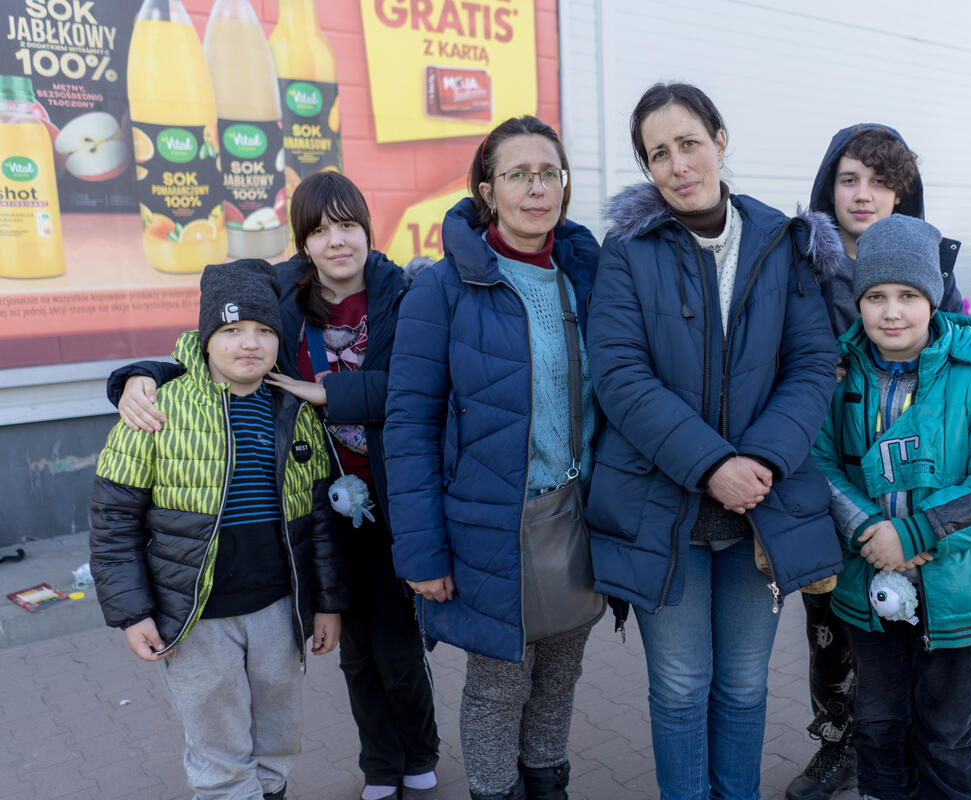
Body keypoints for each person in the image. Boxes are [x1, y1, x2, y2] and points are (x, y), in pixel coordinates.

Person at [109, 172, 442, 800]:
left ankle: (418, 749)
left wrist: (327, 391)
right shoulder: (285, 301)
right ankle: (379, 764)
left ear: (368, 229)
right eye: (319, 231)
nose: (336, 241)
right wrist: (137, 376)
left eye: (348, 225)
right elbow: (219, 344)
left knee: (398, 646)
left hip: (400, 500)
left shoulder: (408, 293)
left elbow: (417, 386)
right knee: (350, 646)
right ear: (303, 243)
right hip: (322, 501)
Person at [584, 82, 842, 800]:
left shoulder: (782, 240)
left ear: (720, 139)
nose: (677, 165)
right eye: (657, 153)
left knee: (743, 684)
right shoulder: (628, 250)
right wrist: (710, 465)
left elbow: (812, 363)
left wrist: (755, 461)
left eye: (688, 143)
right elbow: (619, 373)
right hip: (663, 507)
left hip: (763, 501)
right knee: (679, 685)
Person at [384, 115, 601, 800]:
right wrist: (422, 556)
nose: (537, 189)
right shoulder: (443, 290)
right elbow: (410, 427)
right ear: (488, 188)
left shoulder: (588, 279)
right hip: (491, 529)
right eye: (518, 174)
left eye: (549, 173)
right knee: (499, 683)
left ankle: (548, 785)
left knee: (561, 673)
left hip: (582, 521)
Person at [89, 259, 347, 800]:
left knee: (279, 738)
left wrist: (327, 602)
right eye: (231, 330)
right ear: (206, 338)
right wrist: (131, 612)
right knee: (218, 748)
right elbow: (114, 522)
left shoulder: (294, 411)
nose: (248, 344)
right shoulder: (156, 408)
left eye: (263, 330)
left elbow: (320, 521)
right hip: (196, 619)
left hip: (280, 609)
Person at [812, 214, 971, 800]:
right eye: (876, 296)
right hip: (869, 590)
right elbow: (819, 465)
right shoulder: (835, 377)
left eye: (909, 295)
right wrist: (868, 529)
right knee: (879, 730)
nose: (892, 312)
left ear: (933, 300)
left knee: (946, 736)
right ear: (858, 302)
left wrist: (913, 535)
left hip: (960, 596)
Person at [787, 124, 967, 800]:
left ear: (904, 192)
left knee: (913, 631)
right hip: (827, 483)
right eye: (849, 178)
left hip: (914, 499)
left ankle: (915, 747)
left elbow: (963, 372)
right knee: (829, 629)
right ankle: (839, 743)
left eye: (881, 181)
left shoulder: (936, 269)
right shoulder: (800, 265)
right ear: (828, 186)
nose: (864, 195)